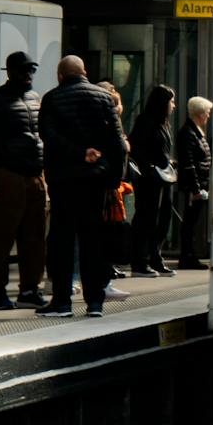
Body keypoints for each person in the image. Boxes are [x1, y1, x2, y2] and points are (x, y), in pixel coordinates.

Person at [37, 56, 126, 317]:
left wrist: (77, 153)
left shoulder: (52, 99)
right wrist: (113, 180)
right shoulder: (104, 98)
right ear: (84, 72)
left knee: (62, 241)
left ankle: (62, 302)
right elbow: (118, 142)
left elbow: (48, 135)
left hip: (63, 180)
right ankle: (95, 303)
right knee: (93, 240)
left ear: (60, 75)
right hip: (95, 181)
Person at [0, 51, 50, 309]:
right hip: (7, 173)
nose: (29, 74)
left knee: (34, 238)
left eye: (31, 70)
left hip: (33, 175)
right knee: (1, 238)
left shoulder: (34, 98)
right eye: (24, 70)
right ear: (10, 71)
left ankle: (30, 288)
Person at [128, 85, 177, 278]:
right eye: (171, 101)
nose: (173, 105)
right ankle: (140, 261)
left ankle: (155, 257)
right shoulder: (146, 122)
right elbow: (135, 147)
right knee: (147, 218)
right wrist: (149, 166)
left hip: (163, 177)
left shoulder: (163, 123)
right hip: (149, 179)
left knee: (163, 218)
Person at [98, 81, 131, 302]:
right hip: (107, 184)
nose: (118, 107)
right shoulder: (109, 121)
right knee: (103, 235)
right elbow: (118, 149)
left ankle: (102, 281)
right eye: (115, 103)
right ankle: (102, 284)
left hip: (105, 182)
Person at [175, 96, 213, 270]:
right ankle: (187, 256)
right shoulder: (189, 134)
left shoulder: (194, 132)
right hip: (194, 186)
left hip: (198, 184)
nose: (208, 116)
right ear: (199, 113)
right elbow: (189, 163)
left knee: (193, 221)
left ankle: (189, 255)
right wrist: (196, 188)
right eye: (207, 112)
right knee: (190, 222)